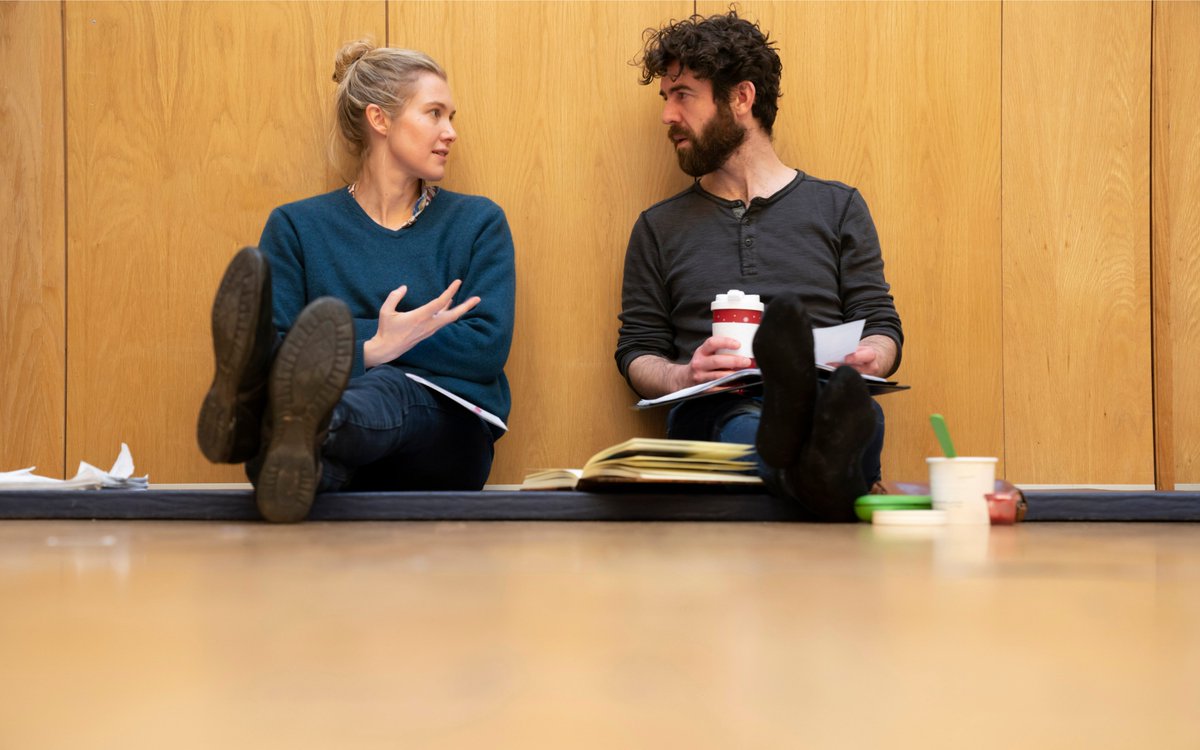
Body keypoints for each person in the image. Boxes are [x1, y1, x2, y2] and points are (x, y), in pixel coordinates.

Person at [197, 40, 515, 523]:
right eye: (434, 114)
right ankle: (277, 445)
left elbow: (485, 346)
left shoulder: (477, 223)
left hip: (448, 438)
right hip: (339, 448)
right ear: (380, 119)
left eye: (452, 116)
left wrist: (359, 348)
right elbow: (277, 345)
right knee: (303, 467)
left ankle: (260, 421)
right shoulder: (297, 227)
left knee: (387, 389)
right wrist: (373, 346)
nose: (450, 132)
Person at [615, 11, 903, 521]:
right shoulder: (658, 227)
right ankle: (828, 479)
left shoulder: (838, 208)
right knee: (753, 430)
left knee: (859, 415)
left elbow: (880, 325)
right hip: (714, 411)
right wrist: (684, 376)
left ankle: (811, 458)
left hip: (827, 400)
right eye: (666, 98)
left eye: (682, 94)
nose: (667, 116)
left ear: (741, 98)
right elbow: (637, 352)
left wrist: (870, 358)